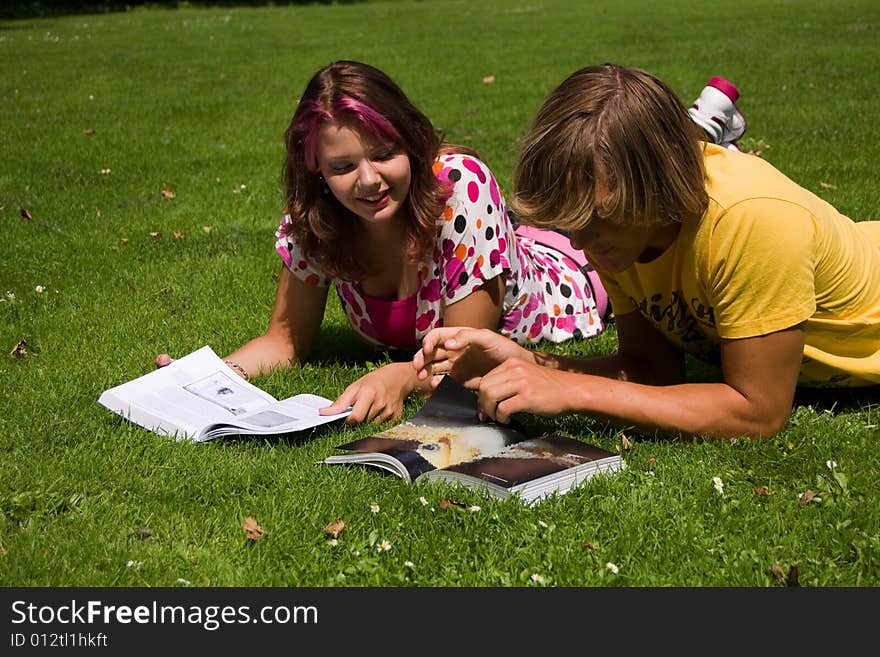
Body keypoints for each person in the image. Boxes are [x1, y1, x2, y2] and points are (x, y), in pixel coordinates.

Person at [413, 63, 880, 440]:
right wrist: (524, 362)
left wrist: (569, 387)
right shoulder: (617, 231)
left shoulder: (751, 220)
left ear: (658, 183)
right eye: (569, 225)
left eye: (596, 220)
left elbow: (756, 411)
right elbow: (652, 369)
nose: (578, 244)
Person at [158, 60, 610, 424]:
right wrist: (205, 379)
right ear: (315, 167)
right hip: (496, 241)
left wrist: (400, 376)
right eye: (343, 167)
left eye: (384, 154)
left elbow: (469, 351)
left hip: (566, 276)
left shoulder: (461, 186)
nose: (369, 181)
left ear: (410, 142)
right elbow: (283, 342)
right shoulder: (316, 217)